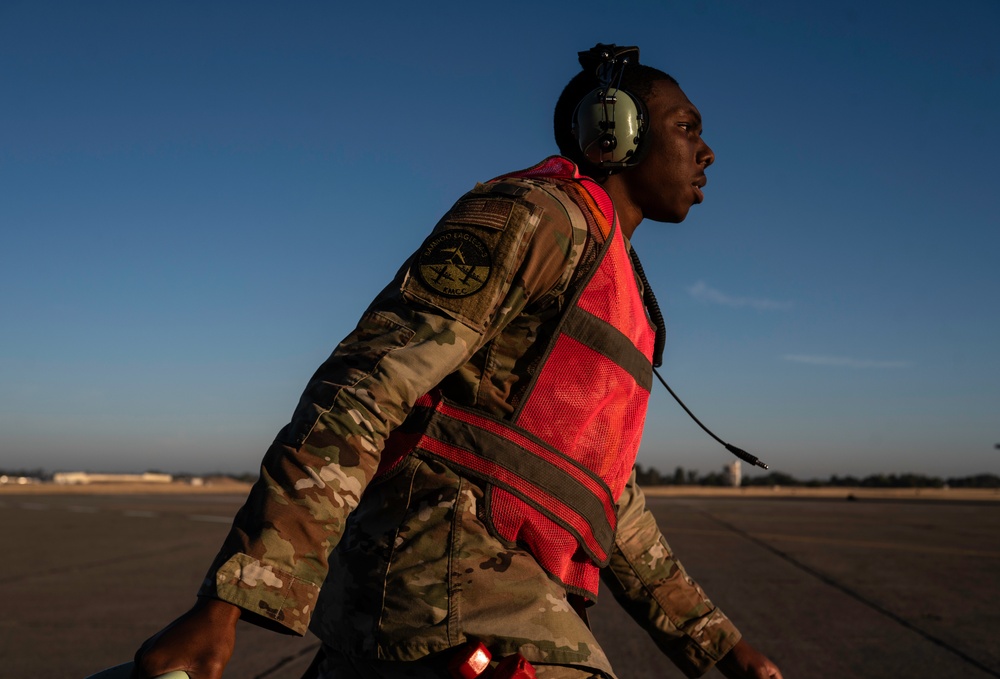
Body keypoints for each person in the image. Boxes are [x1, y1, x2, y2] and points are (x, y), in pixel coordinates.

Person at [134, 44, 783, 679]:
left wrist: (722, 649)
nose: (708, 151)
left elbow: (610, 499)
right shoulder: (535, 216)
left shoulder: (626, 301)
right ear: (615, 133)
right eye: (687, 126)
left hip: (495, 595)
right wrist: (232, 596)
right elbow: (369, 383)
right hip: (443, 584)